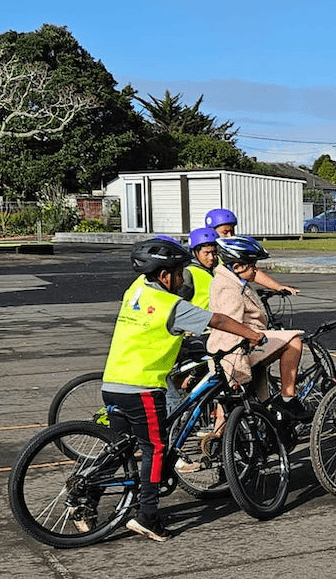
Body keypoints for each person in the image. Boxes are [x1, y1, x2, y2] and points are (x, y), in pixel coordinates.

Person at [101, 237, 264, 542]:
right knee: (155, 448)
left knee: (120, 447)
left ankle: (84, 498)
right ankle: (148, 516)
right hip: (142, 387)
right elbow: (217, 320)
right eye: (179, 274)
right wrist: (251, 334)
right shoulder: (170, 306)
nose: (183, 280)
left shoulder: (136, 290)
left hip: (112, 382)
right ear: (164, 276)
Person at [206, 235, 311, 421]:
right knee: (294, 342)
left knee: (231, 411)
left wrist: (278, 286)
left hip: (246, 341)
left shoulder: (231, 277)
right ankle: (288, 399)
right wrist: (239, 361)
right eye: (253, 266)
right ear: (238, 267)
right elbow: (229, 326)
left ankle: (218, 432)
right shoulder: (228, 289)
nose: (256, 270)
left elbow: (252, 275)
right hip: (239, 348)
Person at [204, 208, 299, 295]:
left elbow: (252, 272)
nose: (230, 236)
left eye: (232, 232)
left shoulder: (231, 253)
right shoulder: (205, 257)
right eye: (225, 233)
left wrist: (278, 287)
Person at [179, 227, 219, 309]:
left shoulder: (219, 269)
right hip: (200, 316)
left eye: (214, 252)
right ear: (195, 253)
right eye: (206, 253)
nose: (211, 257)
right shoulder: (188, 273)